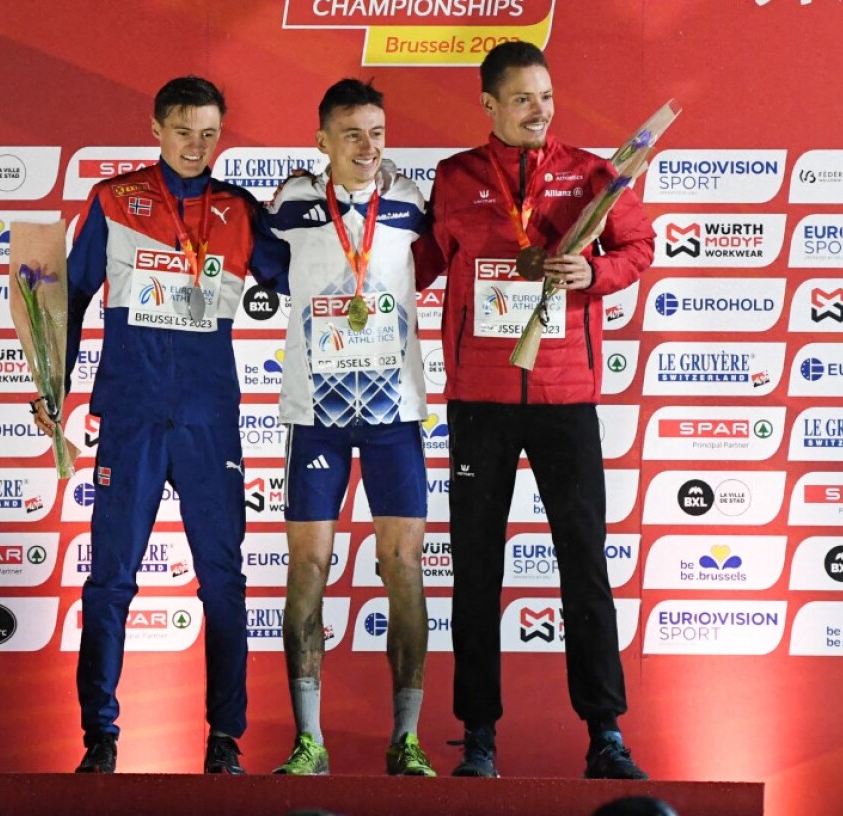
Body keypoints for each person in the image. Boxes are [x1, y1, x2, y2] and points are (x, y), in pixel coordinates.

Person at [32, 75, 289, 775]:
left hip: (210, 419)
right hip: (134, 412)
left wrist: (326, 212)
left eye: (210, 134)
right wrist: (52, 386)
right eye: (184, 131)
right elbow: (65, 293)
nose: (196, 146)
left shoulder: (239, 209)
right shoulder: (115, 201)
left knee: (224, 581)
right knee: (110, 579)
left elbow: (302, 278)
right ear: (155, 128)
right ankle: (100, 739)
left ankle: (225, 741)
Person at [425, 41, 655, 779]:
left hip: (565, 399)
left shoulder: (595, 174)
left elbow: (639, 247)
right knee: (476, 571)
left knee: (584, 566)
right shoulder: (455, 177)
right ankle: (479, 735)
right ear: (489, 104)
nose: (539, 111)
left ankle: (605, 733)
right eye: (522, 98)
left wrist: (594, 270)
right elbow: (419, 259)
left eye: (547, 97)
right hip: (479, 403)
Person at [264, 78, 439, 777]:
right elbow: (271, 272)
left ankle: (408, 739)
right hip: (318, 418)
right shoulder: (291, 205)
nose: (368, 148)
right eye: (352, 135)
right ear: (322, 142)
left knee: (404, 568)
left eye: (377, 133)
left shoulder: (411, 203)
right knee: (307, 571)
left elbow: (432, 269)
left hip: (395, 415)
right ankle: (308, 740)